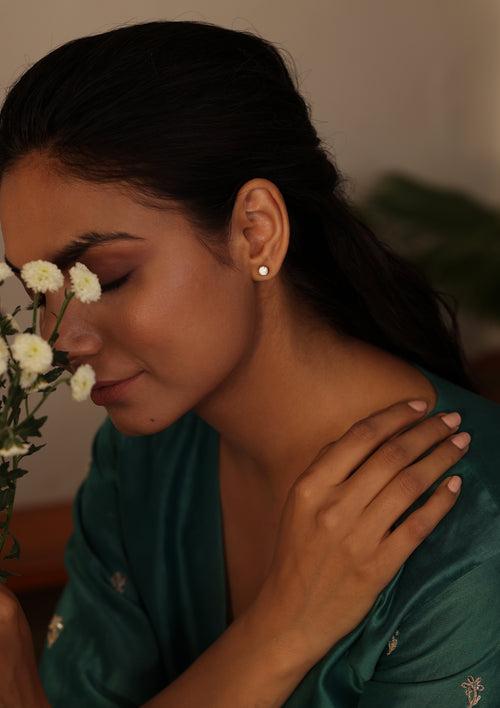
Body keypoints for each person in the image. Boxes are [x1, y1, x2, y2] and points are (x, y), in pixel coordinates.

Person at [0, 19, 498, 708]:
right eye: (36, 293)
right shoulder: (140, 464)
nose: (58, 338)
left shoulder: (470, 530)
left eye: (104, 277)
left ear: (254, 230)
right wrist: (282, 628)